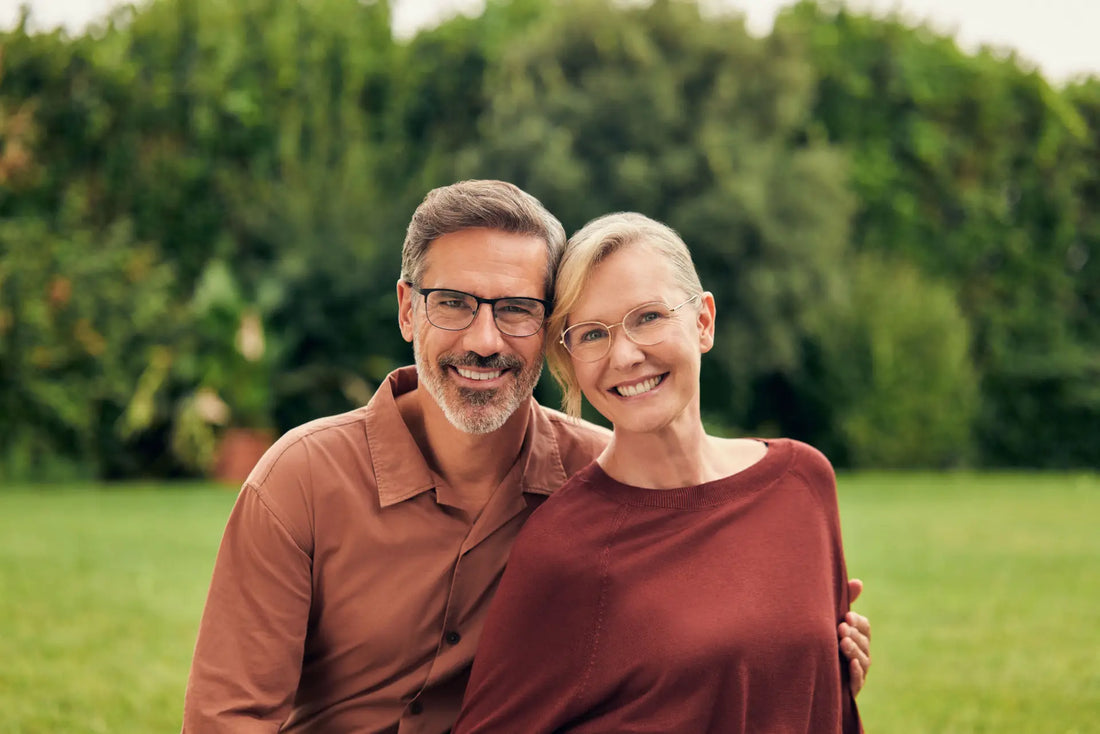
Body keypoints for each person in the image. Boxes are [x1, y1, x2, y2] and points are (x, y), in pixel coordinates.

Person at [182, 182, 871, 733]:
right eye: (454, 303)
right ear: (407, 309)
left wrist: (799, 649)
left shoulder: (609, 482)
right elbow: (229, 720)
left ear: (548, 331)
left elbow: (694, 648)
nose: (485, 340)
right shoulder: (300, 482)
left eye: (516, 309)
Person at [454, 212, 863, 733]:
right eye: (592, 334)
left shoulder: (802, 480)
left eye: (648, 317)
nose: (625, 355)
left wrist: (816, 670)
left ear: (703, 321)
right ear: (571, 361)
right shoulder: (564, 547)